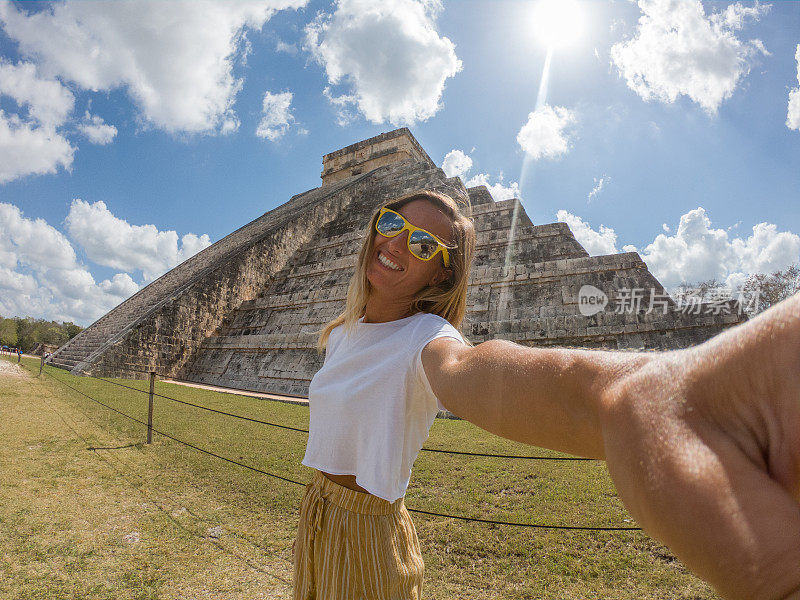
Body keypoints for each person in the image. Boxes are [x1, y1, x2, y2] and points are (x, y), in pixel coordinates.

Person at [293, 189, 800, 600]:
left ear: (442, 272)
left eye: (424, 245)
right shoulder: (343, 332)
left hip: (366, 537)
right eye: (392, 225)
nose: (398, 245)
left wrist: (619, 390)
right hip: (315, 514)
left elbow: (468, 367)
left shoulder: (424, 337)